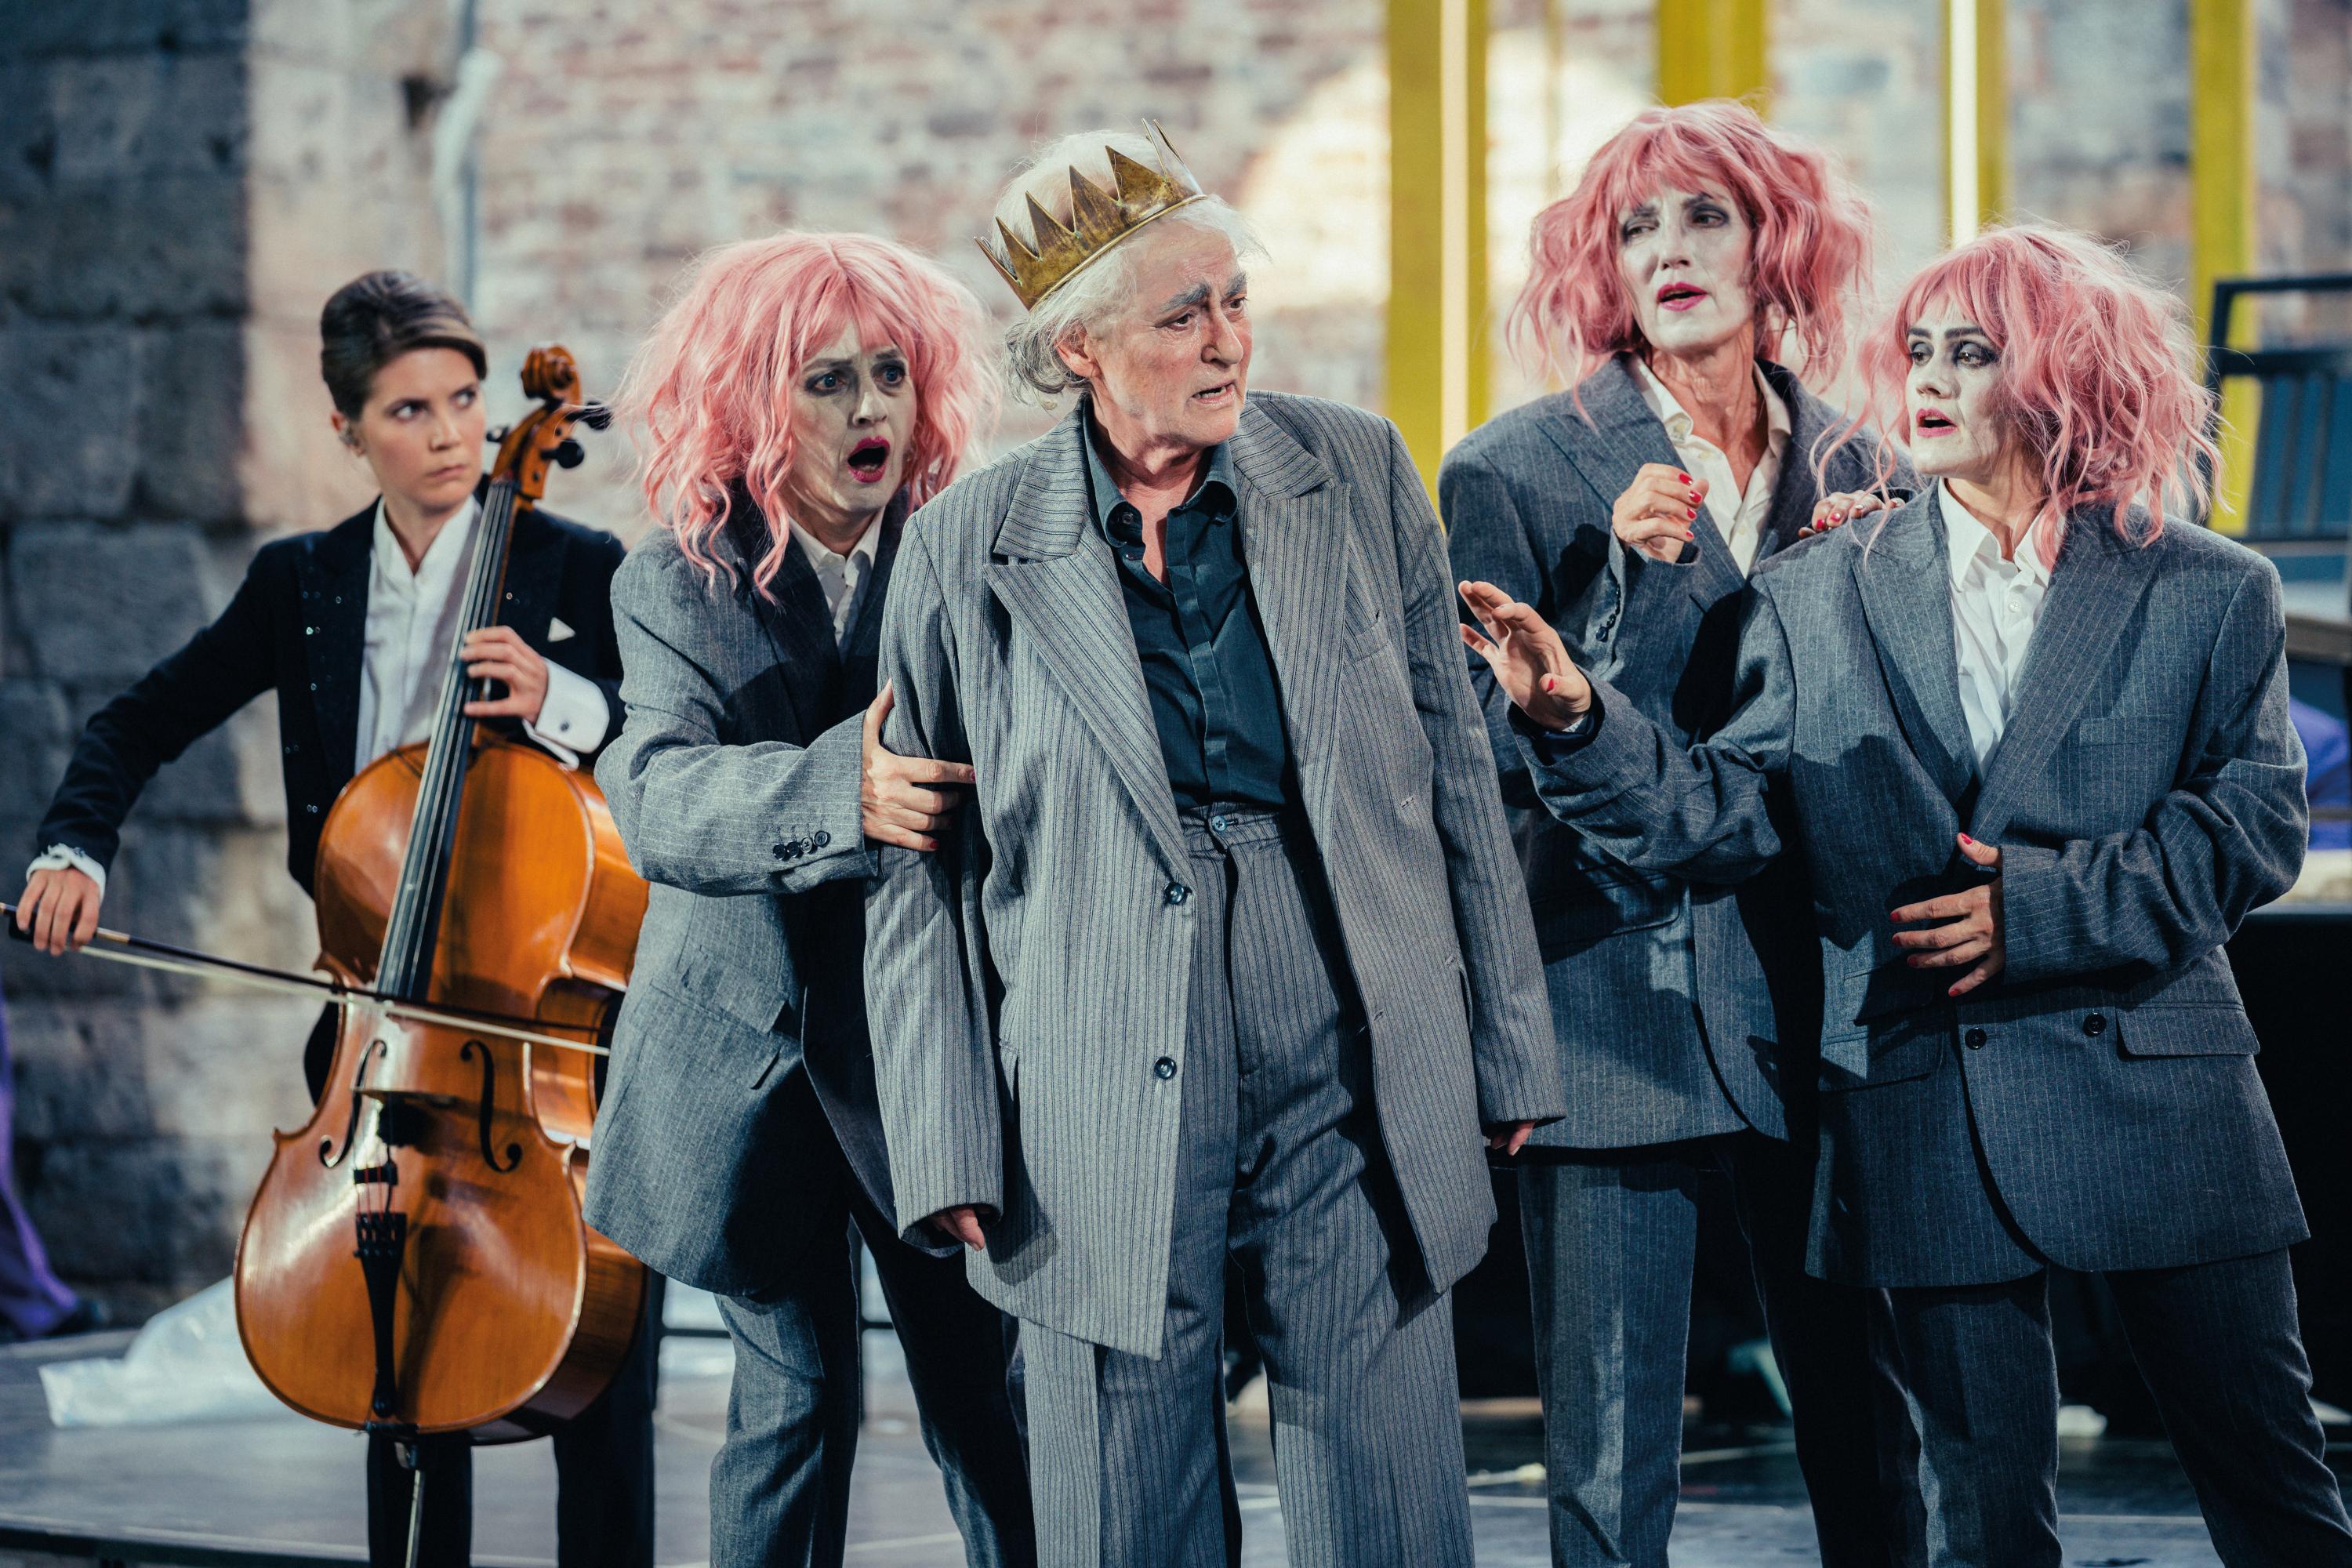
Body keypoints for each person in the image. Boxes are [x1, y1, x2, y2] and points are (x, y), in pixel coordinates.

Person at [1461, 223, 2352, 1568]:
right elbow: (1728, 814)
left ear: (2065, 378)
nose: (1927, 379)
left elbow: (2251, 827)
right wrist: (1579, 718)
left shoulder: (2210, 588)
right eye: (1920, 350)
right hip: (1930, 1092)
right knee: (1985, 1526)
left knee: (2275, 1495)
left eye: (1974, 354)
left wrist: (2036, 912)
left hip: (2161, 1091)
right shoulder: (1828, 585)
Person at [865, 122, 1566, 1568]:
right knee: (1124, 1479)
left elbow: (1453, 771)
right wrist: (944, 1137)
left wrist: (1504, 1045)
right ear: (1081, 353)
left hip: (1345, 997)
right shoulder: (965, 544)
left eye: (1234, 299)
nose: (1227, 339)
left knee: (1382, 1472)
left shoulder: (1356, 471)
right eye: (1183, 314)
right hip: (1090, 1035)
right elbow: (922, 868)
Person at [15, 270, 659, 1568]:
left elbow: (672, 748)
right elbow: (137, 722)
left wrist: (562, 696)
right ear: (348, 429)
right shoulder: (302, 581)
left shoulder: (576, 566)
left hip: (549, 1042)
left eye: (468, 403)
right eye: (409, 409)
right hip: (377, 1025)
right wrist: (75, 842)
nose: (450, 435)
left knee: (602, 1393)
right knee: (400, 1376)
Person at [1439, 99, 1920, 1568]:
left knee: (1865, 1405)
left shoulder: (1862, 464)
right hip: (1607, 992)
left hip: (1817, 996)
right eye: (1634, 228)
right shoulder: (1515, 470)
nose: (1667, 251)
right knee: (1612, 1428)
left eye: (1703, 216)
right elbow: (1479, 761)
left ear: (1775, 242)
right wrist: (1616, 595)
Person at [584, 231, 1036, 1568]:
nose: (871, 411)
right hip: (751, 1071)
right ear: (745, 403)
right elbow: (658, 795)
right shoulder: (671, 579)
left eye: (891, 374)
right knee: (799, 1403)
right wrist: (845, 791)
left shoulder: (966, 554)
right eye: (827, 382)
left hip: (929, 1061)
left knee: (984, 1401)